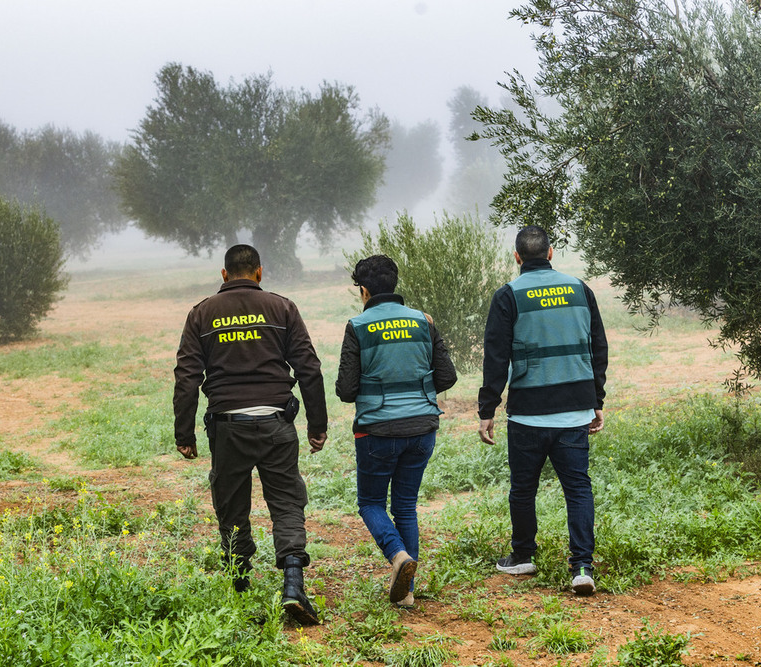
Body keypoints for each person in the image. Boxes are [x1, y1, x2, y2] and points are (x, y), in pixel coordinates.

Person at [173, 244, 328, 626]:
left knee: (230, 503)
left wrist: (184, 432)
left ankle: (239, 587)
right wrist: (317, 425)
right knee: (287, 501)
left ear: (224, 275)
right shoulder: (282, 308)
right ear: (259, 272)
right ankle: (293, 586)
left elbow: (187, 377)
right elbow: (308, 368)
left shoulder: (201, 314)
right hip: (277, 423)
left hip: (227, 427)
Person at [477, 225, 607, 596]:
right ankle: (582, 566)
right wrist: (596, 400)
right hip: (574, 412)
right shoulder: (581, 290)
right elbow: (598, 347)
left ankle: (523, 557)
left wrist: (487, 408)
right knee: (578, 489)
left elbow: (496, 357)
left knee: (523, 489)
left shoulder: (508, 296)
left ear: (517, 257)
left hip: (528, 415)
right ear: (551, 253)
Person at [336, 255, 457, 607]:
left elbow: (346, 389)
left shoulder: (357, 326)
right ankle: (408, 592)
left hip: (377, 433)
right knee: (405, 506)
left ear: (363, 290)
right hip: (422, 429)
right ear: (395, 283)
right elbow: (447, 376)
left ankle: (397, 556)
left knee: (371, 502)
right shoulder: (423, 322)